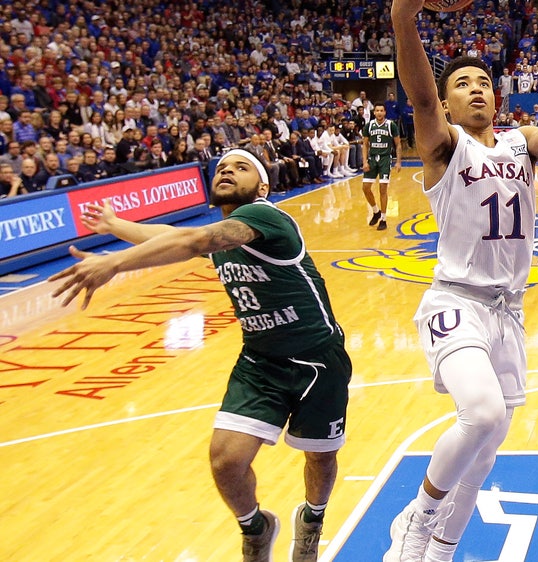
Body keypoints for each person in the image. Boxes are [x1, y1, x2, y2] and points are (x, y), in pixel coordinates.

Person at [48, 149, 353, 562]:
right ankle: (256, 528)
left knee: (320, 456)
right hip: (261, 362)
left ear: (262, 186)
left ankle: (312, 521)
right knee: (226, 462)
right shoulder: (226, 231)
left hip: (317, 361)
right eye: (221, 167)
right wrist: (117, 225)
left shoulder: (267, 216)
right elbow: (168, 237)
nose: (226, 170)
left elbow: (194, 240)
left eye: (240, 167)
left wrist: (114, 263)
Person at [386, 1, 538, 560]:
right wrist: (404, 17)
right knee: (482, 412)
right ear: (447, 103)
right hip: (456, 301)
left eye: (483, 82)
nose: (476, 90)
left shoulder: (520, 141)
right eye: (463, 85)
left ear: (496, 96)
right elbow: (420, 97)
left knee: (489, 446)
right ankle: (416, 521)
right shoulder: (445, 146)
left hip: (508, 310)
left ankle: (442, 548)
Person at [362, 101, 403, 231]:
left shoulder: (391, 125)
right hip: (372, 158)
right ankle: (376, 211)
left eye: (381, 110)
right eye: (377, 110)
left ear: (385, 112)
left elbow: (398, 144)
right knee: (365, 188)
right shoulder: (369, 126)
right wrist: (364, 161)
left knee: (382, 190)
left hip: (385, 159)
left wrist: (398, 161)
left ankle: (384, 219)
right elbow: (365, 145)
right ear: (374, 112)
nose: (379, 113)